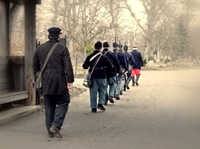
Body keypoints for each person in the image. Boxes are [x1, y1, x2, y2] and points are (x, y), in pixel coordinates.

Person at [33, 27, 74, 138]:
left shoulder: (39, 49)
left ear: (49, 35)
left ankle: (50, 131)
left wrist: (37, 80)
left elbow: (35, 67)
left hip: (45, 81)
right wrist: (70, 80)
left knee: (49, 104)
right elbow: (68, 67)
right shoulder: (62, 49)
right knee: (63, 102)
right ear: (58, 36)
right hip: (59, 80)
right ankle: (55, 125)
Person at [83, 41, 113, 113]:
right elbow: (110, 66)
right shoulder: (104, 57)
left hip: (92, 76)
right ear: (101, 48)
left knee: (93, 91)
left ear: (94, 47)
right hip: (102, 75)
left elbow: (84, 66)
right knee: (102, 89)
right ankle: (100, 104)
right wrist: (104, 69)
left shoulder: (89, 56)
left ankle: (93, 107)